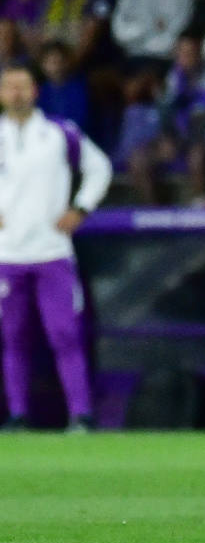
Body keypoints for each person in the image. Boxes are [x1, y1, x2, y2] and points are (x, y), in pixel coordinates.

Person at [0, 63, 112, 431]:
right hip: (6, 255)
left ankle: (80, 415)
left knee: (64, 334)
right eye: (9, 86)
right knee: (11, 338)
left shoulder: (60, 133)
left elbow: (100, 167)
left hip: (52, 252)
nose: (16, 93)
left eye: (23, 86)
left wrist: (80, 208)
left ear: (35, 91)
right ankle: (17, 415)